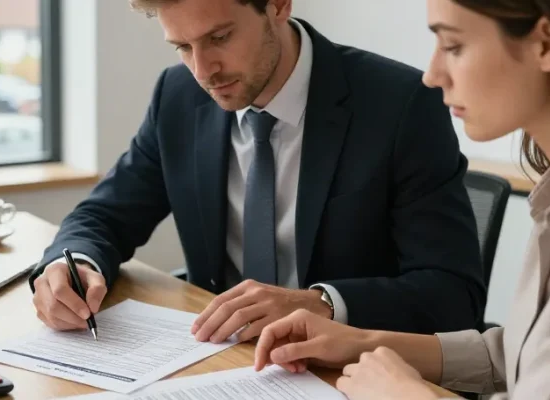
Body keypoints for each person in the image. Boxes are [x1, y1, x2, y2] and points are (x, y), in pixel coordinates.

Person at [253, 0, 550, 399]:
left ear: (546, 44)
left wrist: (405, 394)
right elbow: (522, 355)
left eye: (454, 46)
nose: (433, 75)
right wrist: (360, 342)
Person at [28, 0, 486, 341]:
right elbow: (104, 215)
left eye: (219, 38)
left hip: (345, 368)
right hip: (217, 359)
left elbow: (453, 296)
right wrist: (72, 267)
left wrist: (320, 302)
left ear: (278, 6)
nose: (203, 70)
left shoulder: (399, 104)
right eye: (183, 47)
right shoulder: (178, 95)